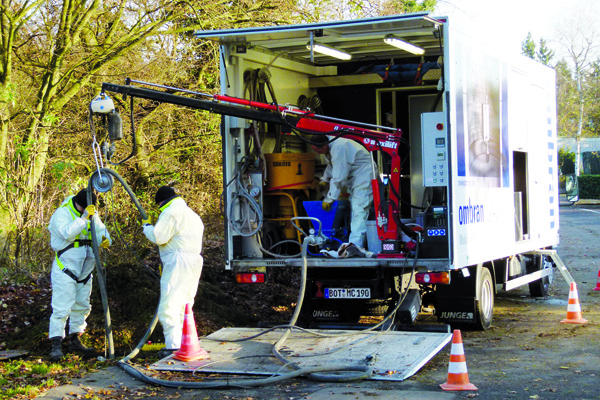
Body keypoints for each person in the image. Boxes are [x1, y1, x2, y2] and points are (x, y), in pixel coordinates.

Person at [48, 189, 111, 361]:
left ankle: (75, 339)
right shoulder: (62, 213)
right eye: (83, 208)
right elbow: (67, 233)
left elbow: (101, 231)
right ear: (78, 203)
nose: (86, 211)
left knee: (82, 305)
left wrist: (105, 239)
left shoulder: (92, 213)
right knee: (62, 306)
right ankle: (56, 343)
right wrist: (83, 219)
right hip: (66, 268)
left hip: (85, 269)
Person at [142, 186, 204, 358]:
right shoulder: (192, 214)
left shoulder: (170, 212)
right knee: (185, 305)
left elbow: (158, 237)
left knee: (169, 306)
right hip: (194, 261)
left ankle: (174, 347)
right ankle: (187, 344)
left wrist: (147, 227)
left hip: (178, 262)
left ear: (161, 202)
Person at [311, 135, 374, 253]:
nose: (318, 153)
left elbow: (339, 177)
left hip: (364, 176)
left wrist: (330, 198)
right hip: (356, 177)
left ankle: (355, 246)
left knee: (359, 210)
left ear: (324, 145)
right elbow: (332, 164)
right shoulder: (331, 145)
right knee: (356, 210)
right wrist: (325, 178)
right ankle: (353, 244)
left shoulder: (340, 147)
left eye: (318, 150)